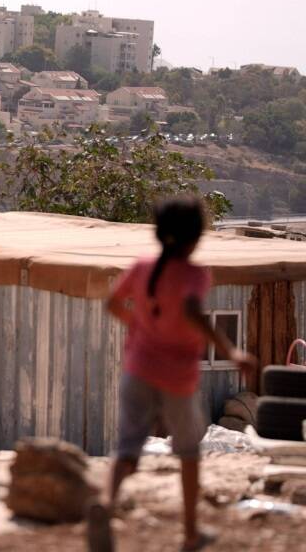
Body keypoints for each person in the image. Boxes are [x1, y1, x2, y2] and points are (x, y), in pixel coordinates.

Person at [89, 196, 256, 552]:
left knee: (127, 448)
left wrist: (140, 327)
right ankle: (191, 534)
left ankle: (105, 503)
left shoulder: (142, 266)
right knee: (188, 453)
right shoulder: (195, 274)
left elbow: (112, 303)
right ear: (195, 237)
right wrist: (231, 351)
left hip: (137, 370)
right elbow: (192, 310)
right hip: (176, 379)